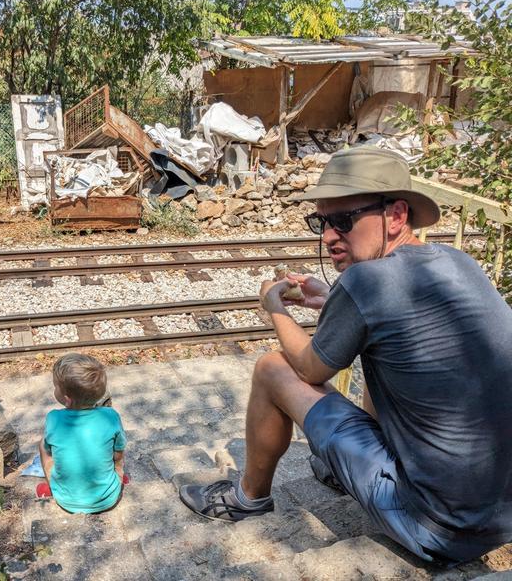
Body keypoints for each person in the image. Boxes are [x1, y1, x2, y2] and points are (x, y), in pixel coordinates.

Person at [179, 147, 512, 564]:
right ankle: (343, 470)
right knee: (380, 358)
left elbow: (308, 366)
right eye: (322, 222)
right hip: (499, 520)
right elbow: (388, 319)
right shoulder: (458, 262)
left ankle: (247, 499)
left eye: (343, 220)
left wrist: (274, 305)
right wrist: (335, 298)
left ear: (395, 215)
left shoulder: (365, 281)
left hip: (435, 527)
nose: (329, 236)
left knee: (272, 368)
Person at [38, 353, 127, 513]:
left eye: (55, 386)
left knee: (43, 447)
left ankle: (51, 486)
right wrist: (119, 470)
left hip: (66, 501)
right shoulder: (110, 416)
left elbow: (49, 449)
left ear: (67, 399)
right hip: (108, 498)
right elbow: (119, 450)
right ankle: (117, 479)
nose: (54, 389)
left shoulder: (54, 418)